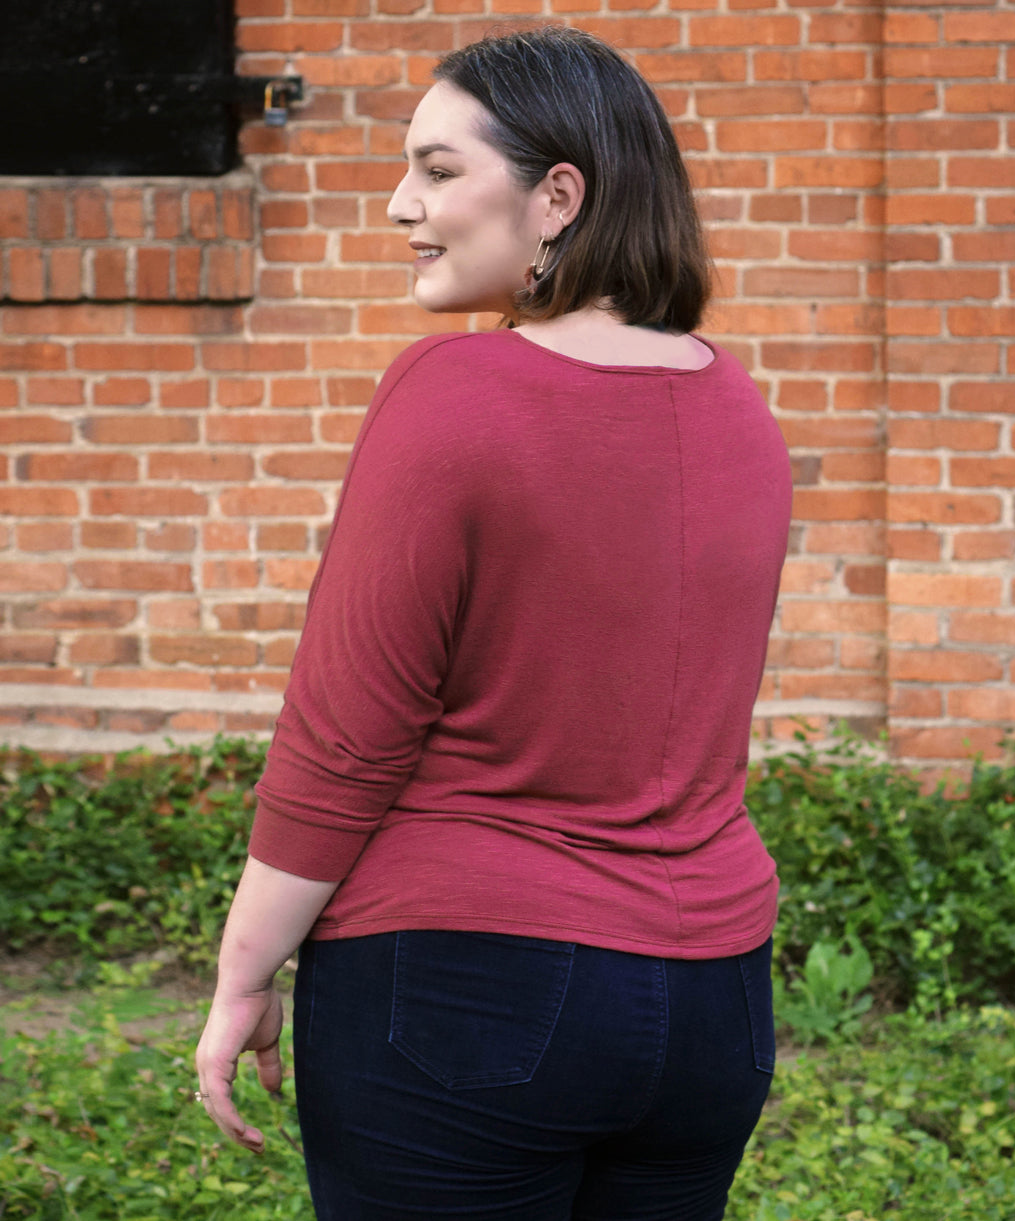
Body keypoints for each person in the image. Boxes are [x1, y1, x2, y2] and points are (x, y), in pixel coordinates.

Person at [195, 25, 792, 1221]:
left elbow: (347, 736)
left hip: (467, 989)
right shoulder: (738, 406)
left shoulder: (454, 394)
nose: (400, 204)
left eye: (438, 169)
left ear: (558, 196)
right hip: (712, 1004)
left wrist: (244, 971)